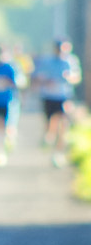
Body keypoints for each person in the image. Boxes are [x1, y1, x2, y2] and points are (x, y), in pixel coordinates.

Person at [32, 39, 81, 167]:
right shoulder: (47, 61)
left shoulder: (70, 61)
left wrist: (69, 77)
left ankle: (58, 154)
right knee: (50, 124)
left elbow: (76, 77)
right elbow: (36, 76)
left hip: (63, 96)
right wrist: (45, 80)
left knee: (63, 124)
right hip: (49, 96)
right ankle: (49, 138)